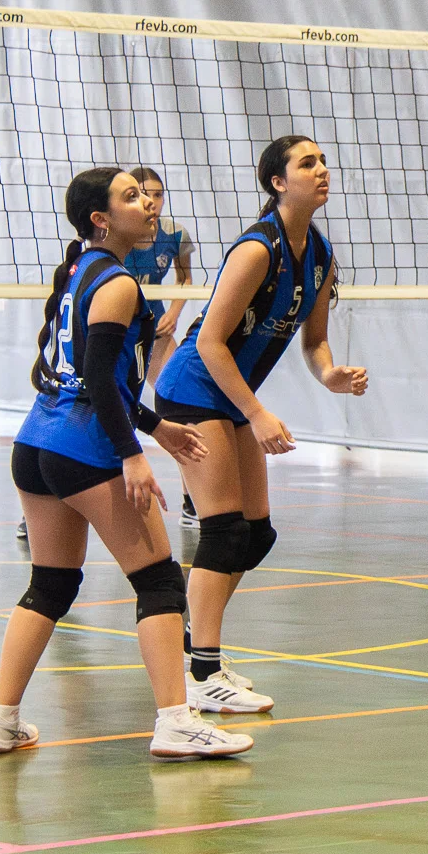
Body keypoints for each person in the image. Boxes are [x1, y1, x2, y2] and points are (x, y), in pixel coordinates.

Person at [0, 167, 250, 759]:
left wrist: (157, 427)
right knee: (158, 581)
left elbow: (92, 377)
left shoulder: (81, 268)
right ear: (101, 219)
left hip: (37, 443)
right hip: (86, 447)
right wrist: (133, 455)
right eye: (132, 197)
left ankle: (0, 721)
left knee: (51, 583)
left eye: (147, 194)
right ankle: (176, 722)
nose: (148, 203)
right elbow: (100, 379)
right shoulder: (120, 283)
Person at [152, 135, 367, 714]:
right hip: (192, 390)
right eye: (307, 163)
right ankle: (202, 672)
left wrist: (330, 374)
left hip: (228, 397)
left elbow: (315, 341)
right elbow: (211, 342)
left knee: (256, 534)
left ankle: (197, 642)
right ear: (277, 182)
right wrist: (256, 412)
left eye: (323, 162)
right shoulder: (256, 250)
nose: (321, 170)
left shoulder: (319, 255)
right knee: (223, 530)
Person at [123, 166, 201, 529]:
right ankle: (43, 501)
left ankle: (192, 501)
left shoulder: (174, 234)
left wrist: (173, 312)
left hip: (152, 329)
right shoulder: (114, 232)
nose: (151, 201)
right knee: (82, 408)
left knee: (185, 403)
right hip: (113, 332)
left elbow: (184, 277)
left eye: (157, 195)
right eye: (143, 194)